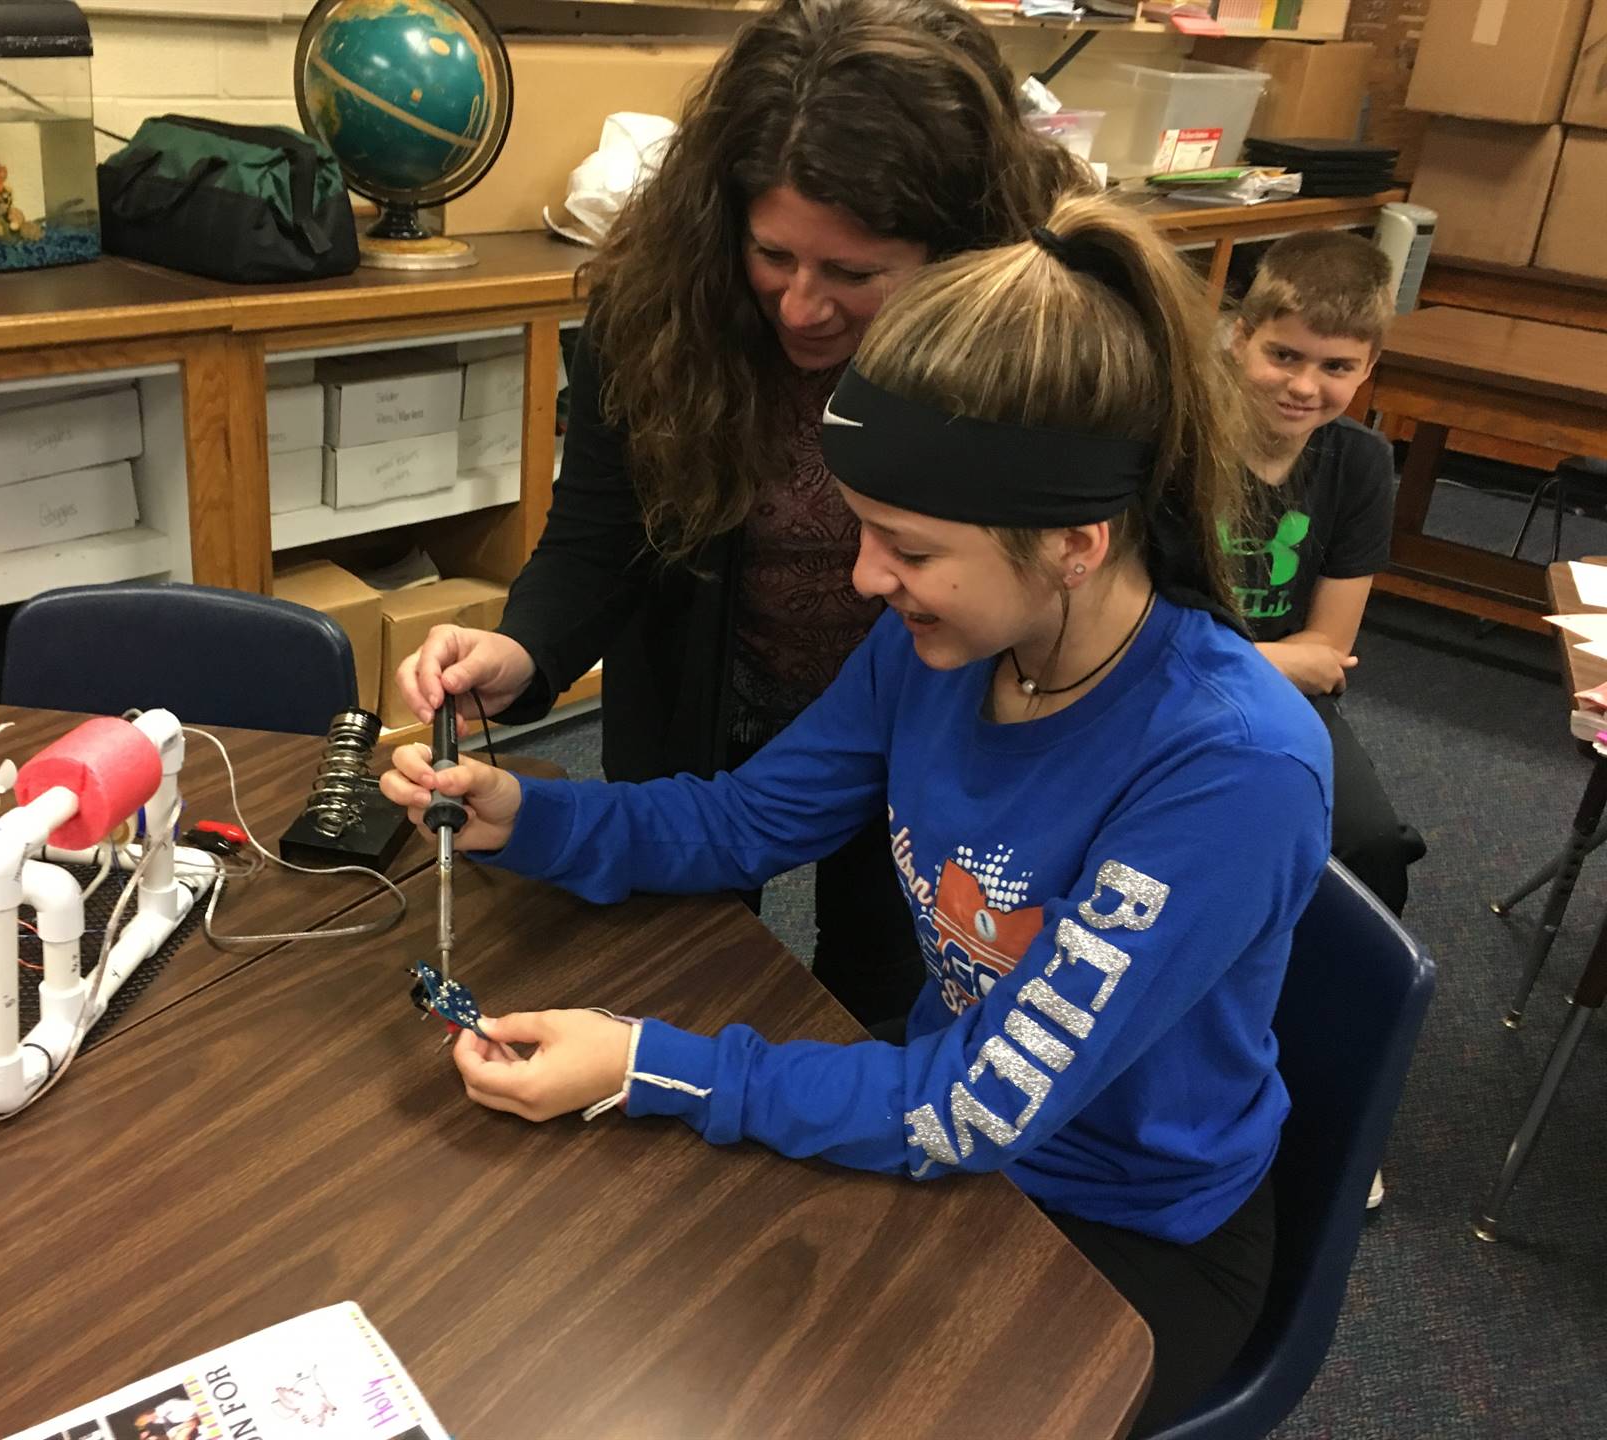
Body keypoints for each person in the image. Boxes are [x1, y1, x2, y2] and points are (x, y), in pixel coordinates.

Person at [382, 193, 1333, 1435]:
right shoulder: (939, 647)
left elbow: (974, 1107)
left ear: (1076, 543)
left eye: (908, 547)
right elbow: (744, 823)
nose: (868, 578)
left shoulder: (1231, 768)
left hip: (1115, 1225)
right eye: (863, 531)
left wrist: (650, 1064)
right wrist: (529, 816)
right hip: (953, 1129)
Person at [392, 0, 1088, 1028]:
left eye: (854, 275)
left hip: (931, 716)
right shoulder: (665, 309)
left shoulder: (1023, 351)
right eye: (774, 258)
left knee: (887, 983)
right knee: (687, 965)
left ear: (956, 258)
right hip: (715, 705)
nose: (803, 307)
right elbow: (600, 536)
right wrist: (525, 652)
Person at [1224, 230, 1428, 918]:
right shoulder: (1179, 442)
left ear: (1369, 366)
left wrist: (1284, 663)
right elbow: (1135, 641)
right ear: (1239, 337)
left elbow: (1329, 650)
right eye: (1283, 355)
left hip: (1274, 697)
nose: (1304, 387)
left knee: (1369, 847)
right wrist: (1283, 660)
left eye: (1337, 366)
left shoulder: (1362, 463)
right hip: (1156, 690)